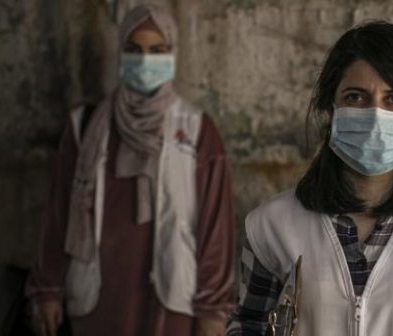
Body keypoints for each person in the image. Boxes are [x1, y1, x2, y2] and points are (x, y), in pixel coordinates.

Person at [227, 21, 393, 336]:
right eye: (356, 97)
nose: (376, 116)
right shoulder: (271, 226)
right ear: (330, 108)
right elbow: (247, 327)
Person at [26, 4, 235, 336]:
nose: (146, 60)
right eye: (135, 50)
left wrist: (213, 309)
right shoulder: (85, 127)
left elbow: (214, 226)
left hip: (171, 299)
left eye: (157, 50)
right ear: (120, 52)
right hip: (99, 297)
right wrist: (47, 289)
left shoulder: (196, 128)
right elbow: (58, 216)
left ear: (172, 52)